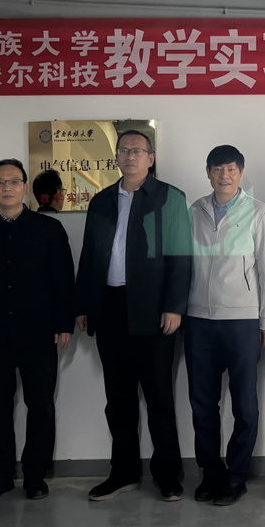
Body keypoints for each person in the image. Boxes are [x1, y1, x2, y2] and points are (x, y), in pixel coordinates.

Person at [75, 130, 192, 502]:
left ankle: (167, 475)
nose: (130, 156)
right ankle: (123, 472)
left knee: (159, 398)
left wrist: (174, 305)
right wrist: (84, 304)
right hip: (110, 308)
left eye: (137, 150)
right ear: (116, 157)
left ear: (150, 158)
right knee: (118, 399)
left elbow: (181, 256)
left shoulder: (169, 197)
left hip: (153, 310)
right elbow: (90, 255)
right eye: (124, 150)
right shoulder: (101, 200)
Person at [0, 159, 75, 504]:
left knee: (41, 406)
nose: (7, 187)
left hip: (39, 333)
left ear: (25, 187)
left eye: (13, 181)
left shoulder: (49, 229)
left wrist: (64, 323)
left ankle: (36, 475)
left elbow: (64, 279)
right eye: (0, 182)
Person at [185, 145, 265, 506]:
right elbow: (183, 264)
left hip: (243, 320)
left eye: (231, 169)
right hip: (199, 320)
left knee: (245, 405)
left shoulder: (259, 212)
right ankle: (211, 473)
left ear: (240, 173)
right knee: (202, 404)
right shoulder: (193, 211)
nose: (224, 175)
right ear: (208, 173)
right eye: (217, 169)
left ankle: (237, 476)